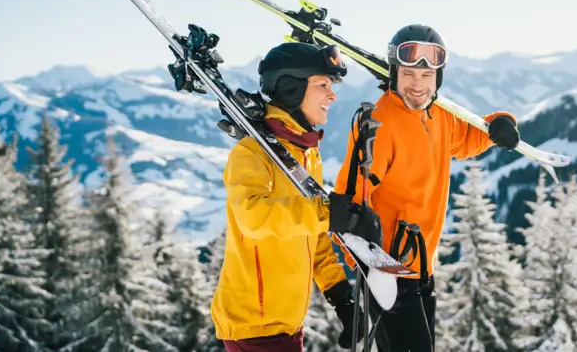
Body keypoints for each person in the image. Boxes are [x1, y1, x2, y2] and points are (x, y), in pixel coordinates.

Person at [333, 25, 521, 352]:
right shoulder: (380, 123)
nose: (418, 84)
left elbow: (467, 139)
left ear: (438, 78)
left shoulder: (440, 115)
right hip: (388, 272)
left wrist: (500, 124)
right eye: (408, 74)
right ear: (394, 73)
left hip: (422, 268)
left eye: (427, 75)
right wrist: (375, 270)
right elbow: (344, 209)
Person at [212, 42, 382, 352]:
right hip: (255, 325)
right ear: (291, 88)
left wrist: (340, 296)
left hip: (286, 323)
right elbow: (253, 217)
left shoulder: (305, 156)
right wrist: (329, 213)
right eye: (323, 84)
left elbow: (312, 233)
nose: (332, 95)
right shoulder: (251, 154)